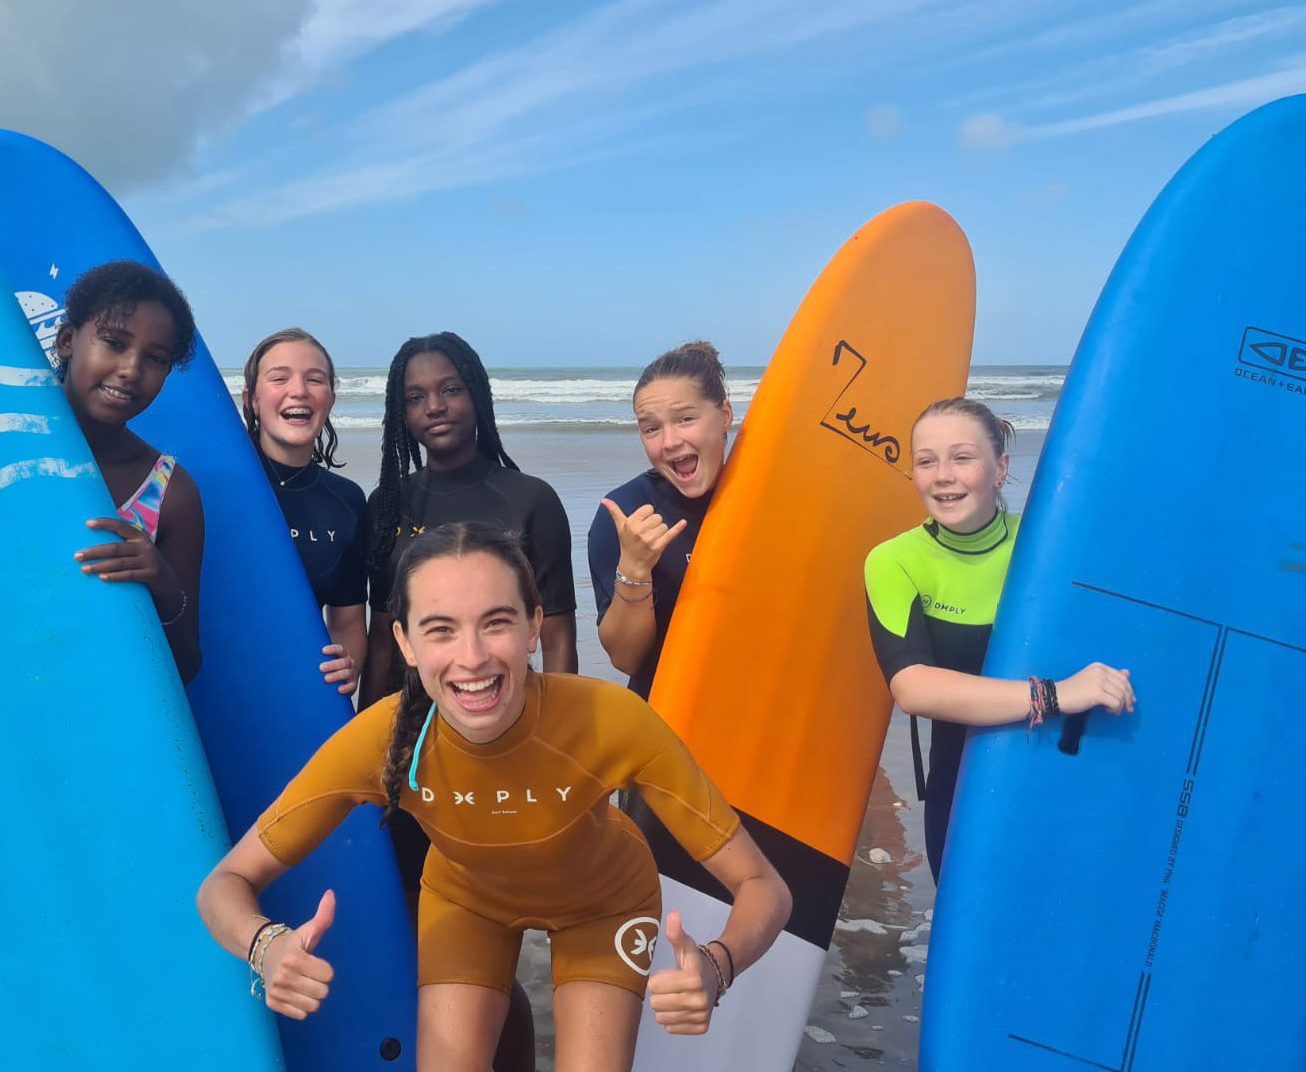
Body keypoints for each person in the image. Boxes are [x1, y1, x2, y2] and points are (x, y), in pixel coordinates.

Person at [197, 523, 791, 1072]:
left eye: (497, 622)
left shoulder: (615, 722)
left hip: (605, 903)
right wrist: (265, 947)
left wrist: (718, 965)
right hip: (468, 902)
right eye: (441, 629)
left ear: (535, 624)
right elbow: (222, 886)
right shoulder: (379, 739)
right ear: (404, 643)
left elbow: (766, 888)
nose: (473, 656)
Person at [863, 396, 1136, 879]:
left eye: (962, 457)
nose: (943, 474)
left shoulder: (1048, 545)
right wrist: (1053, 694)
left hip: (1073, 771)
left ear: (1000, 468)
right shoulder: (894, 561)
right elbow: (912, 687)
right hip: (965, 787)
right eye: (926, 461)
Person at [360, 332, 577, 708]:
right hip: (408, 725)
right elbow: (381, 637)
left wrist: (556, 734)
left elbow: (557, 639)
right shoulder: (386, 503)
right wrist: (367, 733)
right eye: (415, 398)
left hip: (498, 709)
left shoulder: (532, 500)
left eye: (451, 390)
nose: (434, 407)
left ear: (477, 395)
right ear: (402, 415)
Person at [57, 260, 205, 683]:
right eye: (114, 343)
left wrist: (161, 582)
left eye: (156, 358)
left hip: (96, 713)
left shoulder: (169, 492)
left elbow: (188, 667)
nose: (132, 370)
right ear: (68, 339)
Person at [588, 341, 732, 698]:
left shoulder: (773, 499)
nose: (669, 441)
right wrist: (635, 568)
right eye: (651, 429)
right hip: (669, 720)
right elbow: (627, 659)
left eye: (686, 419)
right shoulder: (625, 514)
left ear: (725, 415)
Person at [241, 327, 366, 696]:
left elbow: (347, 621)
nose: (299, 390)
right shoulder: (212, 487)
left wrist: (348, 663)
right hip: (209, 688)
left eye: (315, 379)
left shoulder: (346, 500)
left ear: (329, 400)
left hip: (300, 695)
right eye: (279, 378)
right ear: (252, 399)